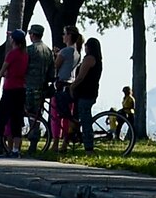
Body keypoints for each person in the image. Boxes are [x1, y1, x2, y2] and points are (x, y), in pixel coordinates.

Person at [23, 22, 55, 154]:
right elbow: (52, 72)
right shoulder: (48, 51)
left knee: (30, 114)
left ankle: (31, 141)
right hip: (42, 88)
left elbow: (23, 68)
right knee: (37, 115)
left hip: (29, 87)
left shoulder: (29, 50)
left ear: (32, 35)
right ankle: (34, 142)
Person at [0, 29, 29, 156]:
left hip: (9, 88)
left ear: (14, 40)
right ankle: (16, 149)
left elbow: (2, 71)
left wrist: (5, 73)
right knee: (17, 119)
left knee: (2, 117)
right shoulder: (25, 55)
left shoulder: (12, 54)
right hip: (21, 89)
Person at [69, 36, 103, 154]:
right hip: (91, 92)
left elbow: (81, 77)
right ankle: (74, 139)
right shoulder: (97, 60)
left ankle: (89, 147)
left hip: (85, 93)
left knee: (85, 120)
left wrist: (72, 86)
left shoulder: (89, 59)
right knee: (81, 117)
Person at [52, 24, 80, 152]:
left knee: (56, 115)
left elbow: (55, 66)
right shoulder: (76, 53)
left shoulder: (65, 51)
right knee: (67, 116)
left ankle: (55, 143)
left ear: (69, 36)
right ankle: (65, 142)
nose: (62, 36)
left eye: (64, 34)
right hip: (71, 85)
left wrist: (55, 55)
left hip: (61, 84)